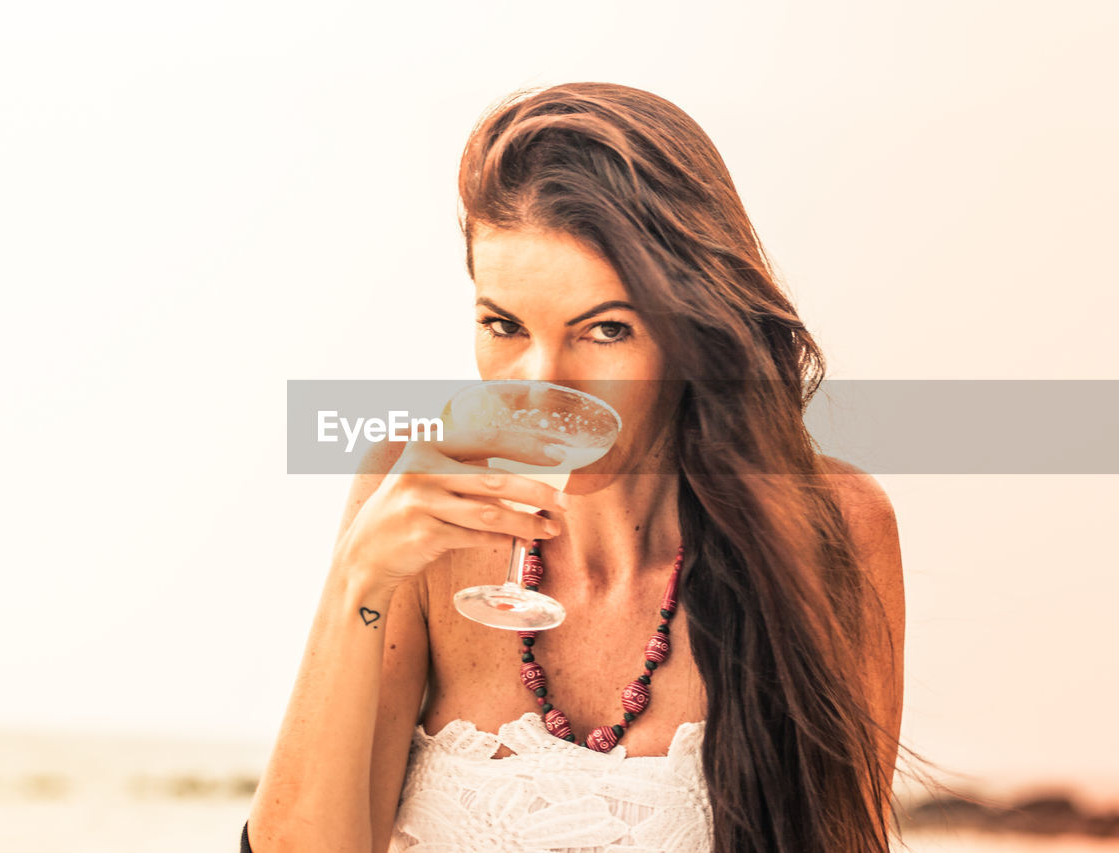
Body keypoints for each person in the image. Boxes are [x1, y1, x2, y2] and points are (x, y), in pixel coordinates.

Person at [242, 81, 907, 852]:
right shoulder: (416, 507)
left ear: (693, 324)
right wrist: (361, 575)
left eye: (605, 330)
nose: (540, 386)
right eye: (504, 325)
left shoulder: (832, 528)